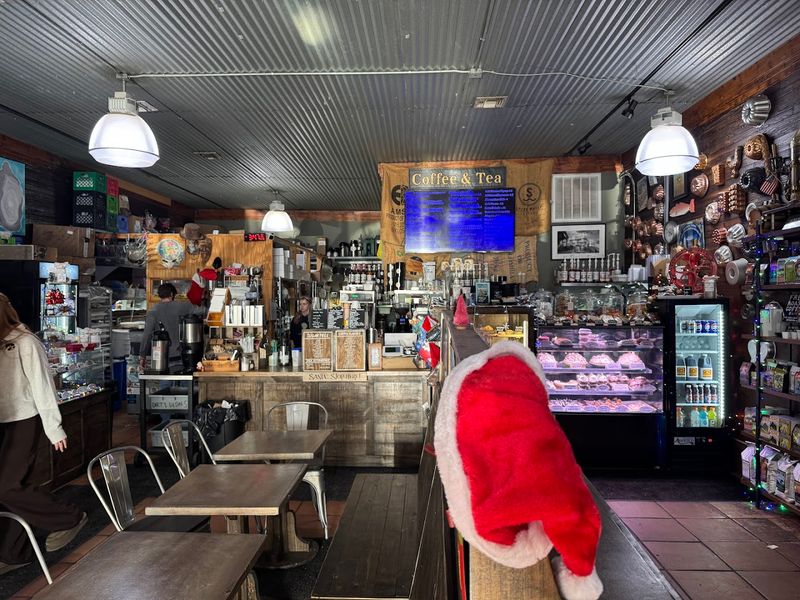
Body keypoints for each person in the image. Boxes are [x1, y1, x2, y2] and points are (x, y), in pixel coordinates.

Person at [0, 292, 87, 574]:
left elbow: (42, 386)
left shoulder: (25, 342)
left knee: (8, 486)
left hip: (23, 420)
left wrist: (54, 427)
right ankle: (14, 552)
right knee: (11, 488)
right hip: (3, 422)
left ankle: (69, 517)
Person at [139, 283, 196, 370]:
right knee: (185, 380)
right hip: (183, 355)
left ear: (159, 295)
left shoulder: (153, 311)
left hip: (162, 358)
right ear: (172, 294)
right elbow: (203, 311)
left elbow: (147, 334)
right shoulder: (184, 306)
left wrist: (142, 355)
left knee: (165, 381)